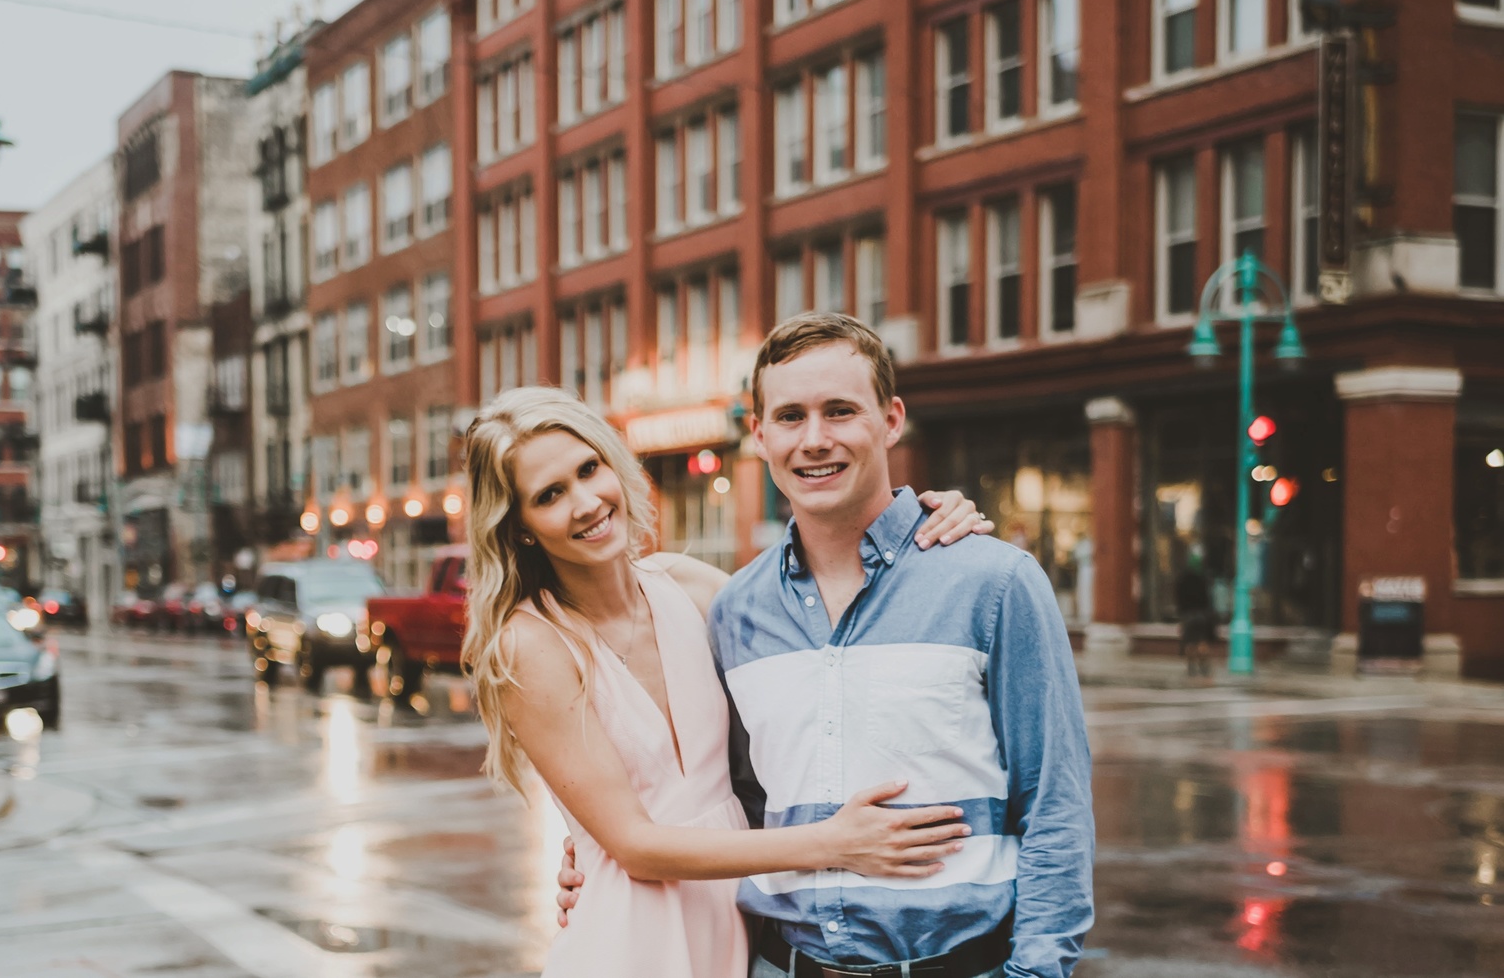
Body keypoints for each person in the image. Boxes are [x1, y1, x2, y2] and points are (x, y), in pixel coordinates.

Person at [558, 313, 1095, 978]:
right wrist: (591, 852)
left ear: (891, 419)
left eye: (840, 411)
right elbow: (727, 801)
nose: (815, 440)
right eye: (790, 417)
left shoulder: (993, 583)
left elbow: (1055, 807)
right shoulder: (735, 613)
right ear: (758, 435)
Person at [462, 385, 998, 978]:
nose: (587, 502)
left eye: (589, 469)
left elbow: (831, 644)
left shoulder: (688, 588)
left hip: (743, 922)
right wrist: (835, 842)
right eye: (550, 495)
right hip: (631, 937)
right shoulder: (530, 643)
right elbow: (636, 846)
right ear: (521, 529)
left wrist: (928, 523)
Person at [1174, 552, 1216, 679]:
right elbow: (1208, 598)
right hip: (1202, 615)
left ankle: (1192, 667)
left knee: (1190, 642)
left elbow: (1179, 598)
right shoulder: (1203, 578)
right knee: (1202, 641)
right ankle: (1204, 666)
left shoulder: (1183, 579)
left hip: (1188, 614)